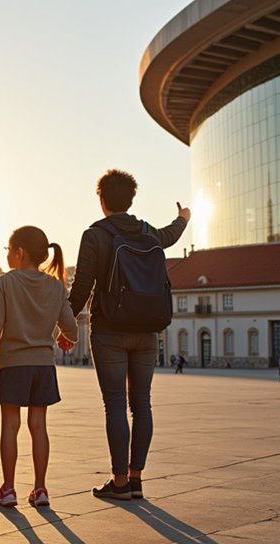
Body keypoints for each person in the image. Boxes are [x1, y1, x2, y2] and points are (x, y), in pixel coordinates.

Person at [68, 169, 189, 501]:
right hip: (147, 329)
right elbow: (170, 235)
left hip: (109, 329)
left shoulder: (94, 235)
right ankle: (136, 479)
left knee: (115, 405)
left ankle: (119, 482)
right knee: (142, 405)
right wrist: (184, 217)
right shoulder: (148, 232)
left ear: (102, 200)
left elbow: (81, 286)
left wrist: (66, 325)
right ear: (131, 199)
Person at [0, 226, 78, 508]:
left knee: (10, 426)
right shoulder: (56, 285)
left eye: (8, 249)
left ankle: (8, 489)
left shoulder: (6, 283)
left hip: (14, 365)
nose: (7, 255)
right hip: (43, 366)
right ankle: (40, 489)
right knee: (38, 426)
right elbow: (70, 326)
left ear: (19, 252)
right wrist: (68, 338)